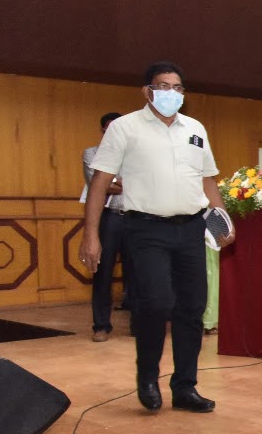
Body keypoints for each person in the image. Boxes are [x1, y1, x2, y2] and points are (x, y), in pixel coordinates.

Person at [79, 62, 233, 413]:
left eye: (177, 87)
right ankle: (148, 378)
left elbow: (207, 180)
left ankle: (185, 387)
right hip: (146, 229)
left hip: (191, 228)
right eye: (163, 86)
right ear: (147, 91)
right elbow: (100, 182)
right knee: (157, 302)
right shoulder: (125, 128)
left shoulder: (195, 129)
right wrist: (91, 236)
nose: (171, 93)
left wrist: (221, 223)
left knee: (192, 307)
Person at [82, 112, 131, 342]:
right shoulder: (91, 154)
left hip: (135, 217)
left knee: (139, 271)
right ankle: (101, 326)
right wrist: (117, 183)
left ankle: (139, 324)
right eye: (107, 129)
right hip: (109, 218)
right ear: (102, 131)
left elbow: (143, 183)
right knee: (103, 272)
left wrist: (114, 182)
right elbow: (98, 185)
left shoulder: (135, 153)